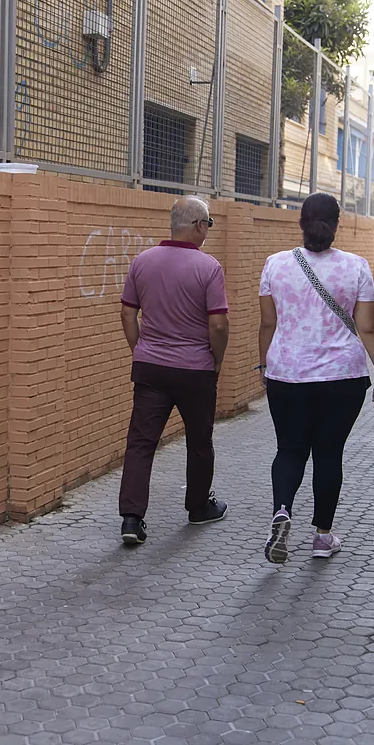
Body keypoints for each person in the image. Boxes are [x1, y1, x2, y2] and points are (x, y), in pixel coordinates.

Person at [258, 193, 374, 563]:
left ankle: (282, 510)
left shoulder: (275, 265)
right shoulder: (356, 267)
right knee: (329, 453)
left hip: (287, 374)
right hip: (342, 377)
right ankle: (322, 536)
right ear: (337, 224)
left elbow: (268, 323)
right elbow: (368, 327)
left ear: (300, 222)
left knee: (289, 449)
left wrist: (264, 366)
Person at [117, 196, 230, 545]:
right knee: (199, 441)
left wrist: (141, 350)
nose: (208, 230)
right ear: (199, 226)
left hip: (151, 368)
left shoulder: (142, 261)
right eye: (208, 224)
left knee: (141, 442)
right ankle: (198, 507)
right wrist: (216, 360)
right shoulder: (209, 268)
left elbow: (127, 314)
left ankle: (132, 518)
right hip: (195, 369)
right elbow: (218, 325)